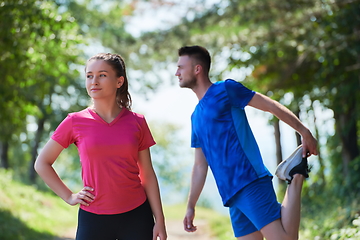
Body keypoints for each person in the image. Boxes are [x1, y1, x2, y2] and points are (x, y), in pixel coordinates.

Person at [175, 45, 318, 240]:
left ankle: (296, 174)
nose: (177, 73)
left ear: (197, 69)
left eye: (181, 67)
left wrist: (304, 130)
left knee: (285, 239)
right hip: (231, 196)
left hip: (249, 181)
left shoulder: (225, 89)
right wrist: (191, 205)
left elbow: (268, 105)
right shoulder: (195, 117)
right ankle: (295, 173)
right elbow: (200, 165)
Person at [35, 53, 167, 240]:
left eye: (102, 75)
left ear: (119, 81)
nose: (94, 81)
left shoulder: (137, 122)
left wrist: (159, 219)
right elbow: (42, 163)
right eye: (89, 75)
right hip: (93, 217)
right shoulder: (74, 121)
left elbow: (147, 173)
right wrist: (69, 196)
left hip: (136, 215)